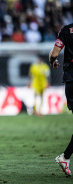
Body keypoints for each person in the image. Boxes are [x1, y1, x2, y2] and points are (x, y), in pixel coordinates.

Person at [49, 22, 73, 177]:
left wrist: (52, 62)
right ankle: (65, 157)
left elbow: (54, 54)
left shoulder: (66, 30)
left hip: (71, 81)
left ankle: (65, 157)